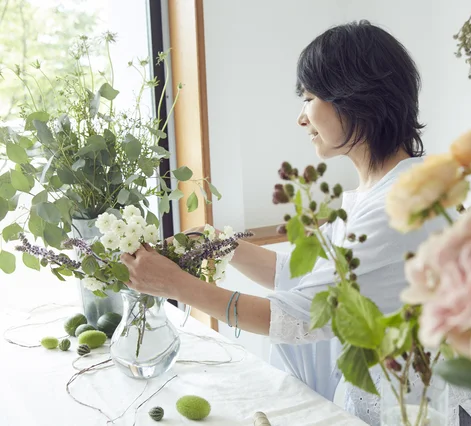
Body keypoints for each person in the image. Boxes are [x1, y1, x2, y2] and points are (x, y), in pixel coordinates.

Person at [121, 20, 449, 425]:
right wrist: (218, 242)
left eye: (309, 98)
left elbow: (294, 319)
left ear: (357, 100)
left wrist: (176, 285)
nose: (301, 118)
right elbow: (302, 276)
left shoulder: (399, 205)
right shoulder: (378, 193)